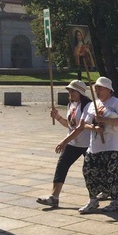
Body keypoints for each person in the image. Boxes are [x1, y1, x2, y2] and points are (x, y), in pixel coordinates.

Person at [76, 77, 118, 213]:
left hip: (112, 145)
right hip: (95, 145)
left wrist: (105, 120)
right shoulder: (93, 104)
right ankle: (93, 200)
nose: (97, 90)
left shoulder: (116, 103)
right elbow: (85, 124)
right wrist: (94, 127)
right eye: (96, 88)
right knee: (88, 170)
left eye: (100, 88)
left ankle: (116, 200)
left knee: (112, 172)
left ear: (108, 90)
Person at [37, 80, 92, 208]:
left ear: (80, 92)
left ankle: (100, 193)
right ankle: (54, 197)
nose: (70, 93)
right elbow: (70, 125)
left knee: (91, 170)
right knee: (62, 165)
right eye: (69, 90)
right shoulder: (71, 104)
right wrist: (58, 117)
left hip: (87, 143)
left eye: (73, 90)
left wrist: (64, 141)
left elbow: (80, 128)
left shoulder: (88, 105)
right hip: (73, 142)